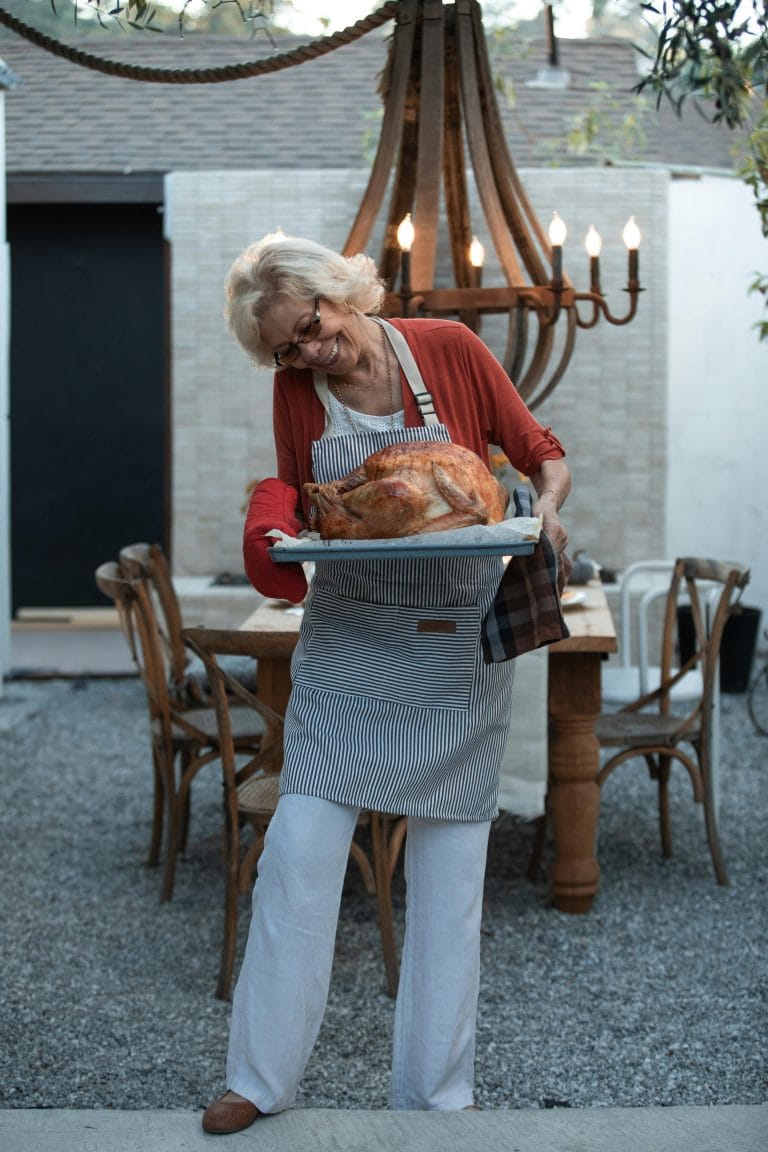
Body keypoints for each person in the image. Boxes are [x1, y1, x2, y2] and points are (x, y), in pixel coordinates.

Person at [202, 232, 570, 1135]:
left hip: (454, 649)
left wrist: (548, 515)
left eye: (313, 329)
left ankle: (437, 1096)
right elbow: (300, 495)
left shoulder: (447, 347)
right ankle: (259, 1077)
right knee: (296, 856)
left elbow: (538, 452)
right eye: (286, 350)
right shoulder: (300, 394)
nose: (309, 355)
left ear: (342, 294)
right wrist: (268, 517)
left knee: (450, 886)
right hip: (350, 645)